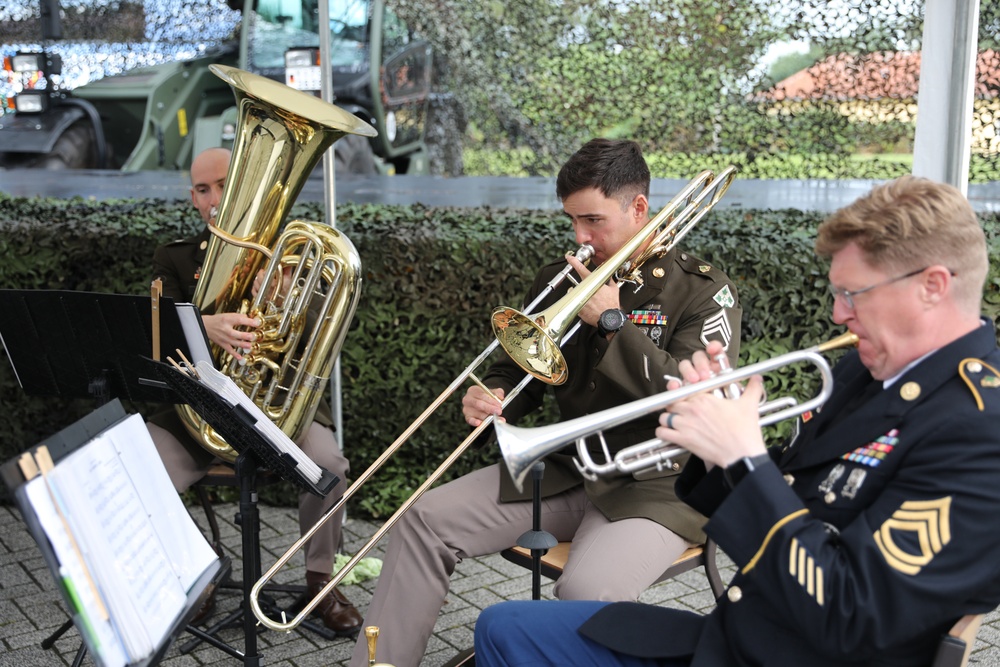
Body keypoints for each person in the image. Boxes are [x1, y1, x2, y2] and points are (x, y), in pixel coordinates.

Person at [473, 174, 1000, 666]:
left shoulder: (977, 433)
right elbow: (788, 505)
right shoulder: (865, 375)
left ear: (932, 286)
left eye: (854, 294)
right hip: (740, 634)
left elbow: (848, 612)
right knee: (504, 624)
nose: (839, 314)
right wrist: (708, 439)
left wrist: (746, 458)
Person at [349, 138, 743, 666]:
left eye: (593, 221)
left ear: (639, 208)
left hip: (658, 484)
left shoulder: (702, 292)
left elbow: (691, 398)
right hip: (568, 467)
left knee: (586, 596)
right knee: (424, 518)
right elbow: (523, 369)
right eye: (572, 221)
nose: (580, 238)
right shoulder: (564, 279)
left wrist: (612, 324)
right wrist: (494, 393)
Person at [146, 147, 363, 635]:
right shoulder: (176, 257)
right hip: (196, 410)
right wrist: (205, 326)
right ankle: (198, 573)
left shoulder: (291, 253)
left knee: (328, 466)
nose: (216, 199)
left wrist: (288, 298)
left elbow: (316, 340)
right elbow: (153, 334)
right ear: (193, 199)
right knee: (143, 468)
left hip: (280, 407)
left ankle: (320, 581)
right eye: (203, 190)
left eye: (225, 184)